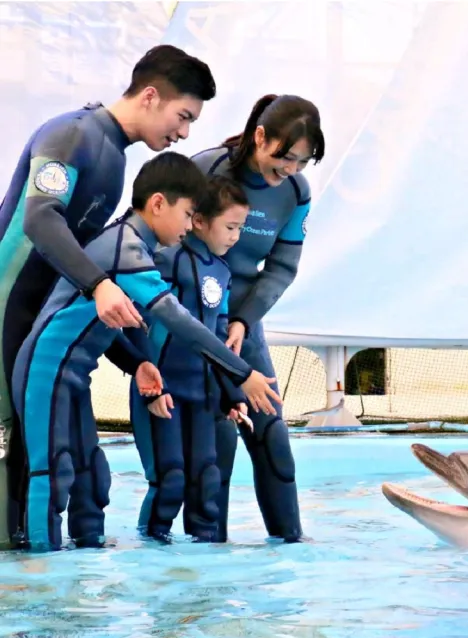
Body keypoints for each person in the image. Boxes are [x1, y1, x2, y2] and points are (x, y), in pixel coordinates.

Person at [0, 44, 217, 548]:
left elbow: (78, 276)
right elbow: (40, 219)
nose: (184, 133)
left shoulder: (115, 161)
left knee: (59, 459)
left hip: (36, 322)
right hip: (6, 309)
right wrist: (99, 285)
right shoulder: (72, 134)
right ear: (149, 96)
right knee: (18, 451)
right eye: (183, 116)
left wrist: (131, 360)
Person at [10, 151, 281, 552]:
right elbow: (178, 320)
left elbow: (90, 324)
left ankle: (80, 574)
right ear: (158, 204)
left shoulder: (133, 244)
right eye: (188, 215)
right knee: (52, 473)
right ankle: (41, 580)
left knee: (91, 477)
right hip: (45, 372)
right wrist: (243, 373)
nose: (190, 226)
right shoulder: (127, 248)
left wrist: (137, 363)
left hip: (72, 376)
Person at [191, 94, 325, 543]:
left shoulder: (295, 193)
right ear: (260, 136)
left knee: (273, 438)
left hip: (243, 324)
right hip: (194, 322)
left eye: (302, 162)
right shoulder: (207, 171)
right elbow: (167, 248)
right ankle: (210, 557)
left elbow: (282, 268)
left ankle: (291, 549)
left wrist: (243, 321)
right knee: (219, 442)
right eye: (284, 156)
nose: (289, 168)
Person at [129, 174, 251, 543]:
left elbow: (216, 338)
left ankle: (204, 572)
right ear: (198, 221)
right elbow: (139, 323)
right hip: (162, 391)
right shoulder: (167, 260)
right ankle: (151, 555)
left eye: (240, 228)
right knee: (171, 480)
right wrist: (151, 388)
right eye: (230, 226)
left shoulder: (223, 271)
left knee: (205, 477)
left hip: (202, 394)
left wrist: (231, 393)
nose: (235, 237)